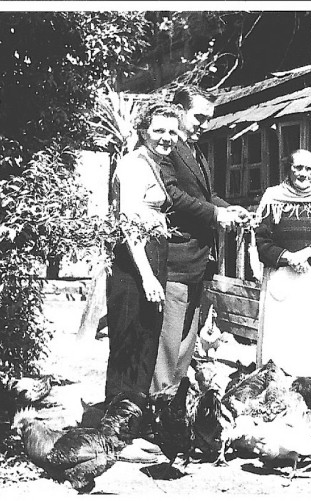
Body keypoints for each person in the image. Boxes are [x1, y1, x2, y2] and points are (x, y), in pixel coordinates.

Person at [151, 86, 248, 394]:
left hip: (198, 259)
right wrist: (215, 215)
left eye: (209, 118)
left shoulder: (195, 150)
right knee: (169, 339)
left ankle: (175, 402)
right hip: (177, 257)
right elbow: (173, 196)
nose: (204, 125)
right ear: (179, 111)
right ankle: (159, 402)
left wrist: (225, 208)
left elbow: (204, 195)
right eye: (200, 117)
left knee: (187, 339)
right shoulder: (167, 150)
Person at [105, 102, 180, 404]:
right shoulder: (134, 164)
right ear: (143, 131)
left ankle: (132, 419)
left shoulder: (155, 163)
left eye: (173, 131)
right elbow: (129, 223)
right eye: (159, 130)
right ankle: (115, 426)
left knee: (146, 340)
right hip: (133, 260)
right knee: (128, 342)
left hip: (154, 254)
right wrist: (147, 276)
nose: (167, 137)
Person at [254, 149, 311, 377]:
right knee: (285, 339)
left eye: (308, 169)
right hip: (283, 279)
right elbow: (261, 241)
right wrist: (289, 256)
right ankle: (279, 381)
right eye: (298, 168)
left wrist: (307, 252)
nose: (303, 173)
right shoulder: (273, 198)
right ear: (289, 168)